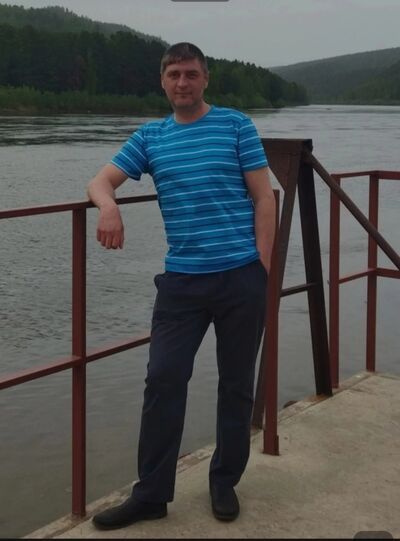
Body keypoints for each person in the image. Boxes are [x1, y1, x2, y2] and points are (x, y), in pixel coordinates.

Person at [87, 42, 276, 530]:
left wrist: (262, 269)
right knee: (163, 379)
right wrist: (108, 207)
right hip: (181, 283)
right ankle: (151, 494)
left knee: (236, 385)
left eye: (191, 74)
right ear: (163, 81)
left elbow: (264, 198)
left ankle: (224, 481)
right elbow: (100, 181)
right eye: (174, 75)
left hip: (240, 277)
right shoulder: (151, 136)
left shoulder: (236, 125)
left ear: (205, 78)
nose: (182, 83)